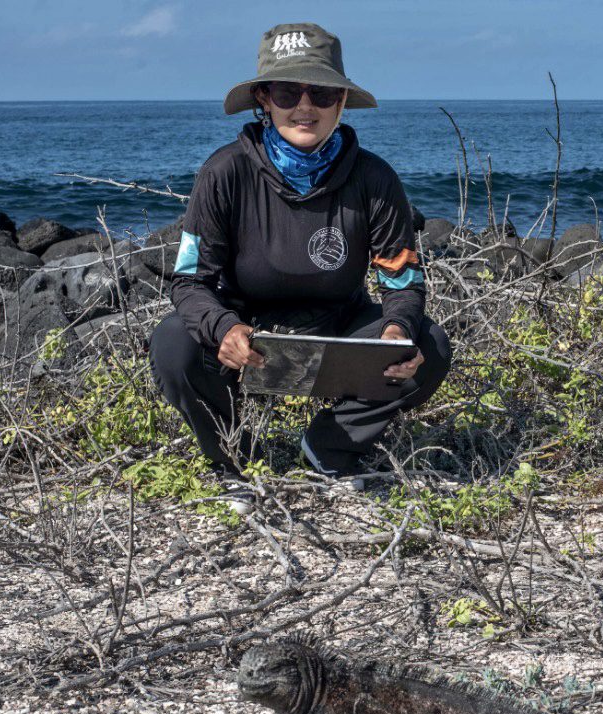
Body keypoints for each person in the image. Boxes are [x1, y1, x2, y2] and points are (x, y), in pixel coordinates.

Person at [149, 22, 452, 495]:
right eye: (288, 93)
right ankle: (233, 462)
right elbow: (189, 281)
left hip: (338, 328)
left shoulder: (374, 177)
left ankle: (330, 447)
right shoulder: (224, 172)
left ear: (342, 102)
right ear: (264, 99)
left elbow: (403, 281)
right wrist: (223, 328)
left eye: (323, 93)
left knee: (427, 344)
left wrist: (397, 331)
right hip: (245, 331)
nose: (305, 107)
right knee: (173, 343)